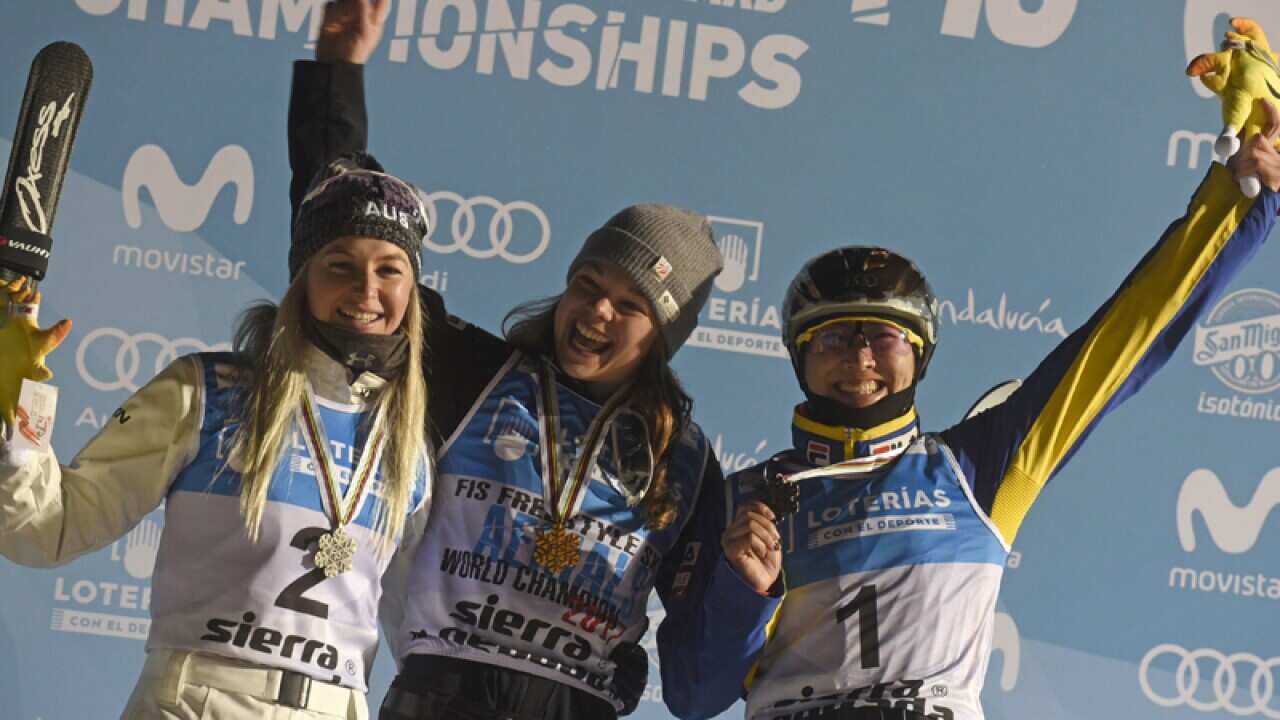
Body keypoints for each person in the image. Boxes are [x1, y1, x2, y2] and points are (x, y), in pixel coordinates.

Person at [654, 103, 1280, 720]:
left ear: (920, 354)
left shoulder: (979, 466)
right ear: (800, 355)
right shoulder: (742, 502)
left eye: (885, 335)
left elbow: (1125, 336)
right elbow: (692, 696)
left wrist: (1238, 200)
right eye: (835, 337)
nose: (861, 356)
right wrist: (746, 590)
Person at [289, 2, 728, 718]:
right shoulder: (472, 372)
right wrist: (337, 71)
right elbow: (343, 222)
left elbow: (704, 643)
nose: (596, 314)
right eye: (586, 286)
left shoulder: (688, 460)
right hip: (442, 691)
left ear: (664, 336)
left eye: (630, 305)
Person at [0, 152, 435, 720]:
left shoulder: (410, 447)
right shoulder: (206, 392)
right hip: (196, 701)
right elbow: (45, 531)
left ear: (413, 289)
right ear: (302, 278)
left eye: (389, 268)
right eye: (340, 264)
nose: (365, 289)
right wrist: (18, 405)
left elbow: (426, 639)